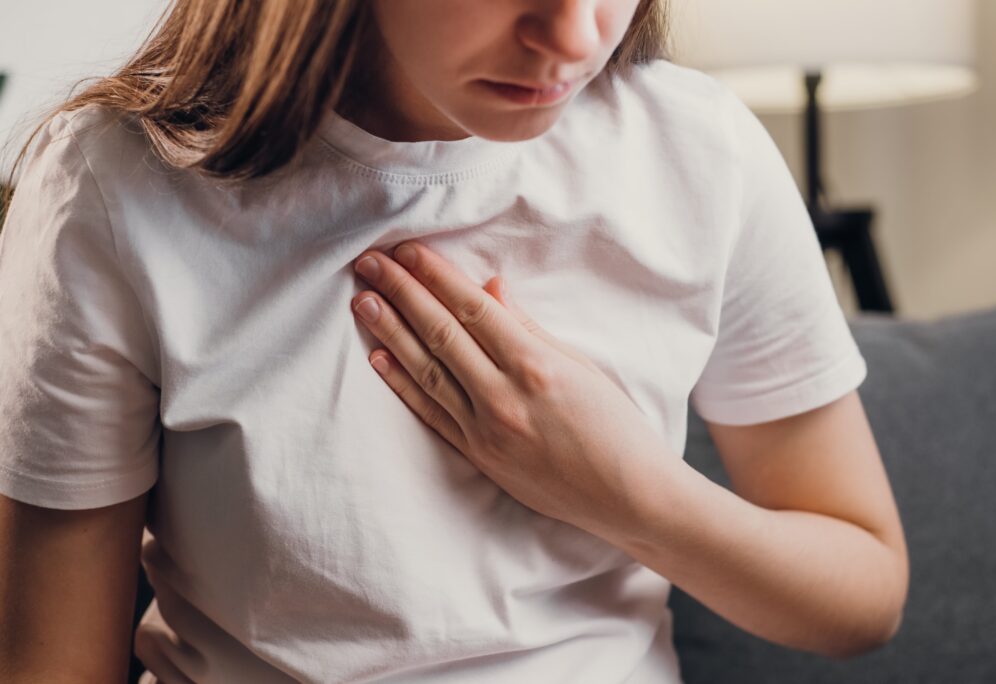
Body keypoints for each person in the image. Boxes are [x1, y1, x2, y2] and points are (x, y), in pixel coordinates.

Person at [0, 0, 910, 682]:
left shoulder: (700, 152)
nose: (575, 36)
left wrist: (625, 494)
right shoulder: (111, 187)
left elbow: (864, 593)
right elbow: (52, 665)